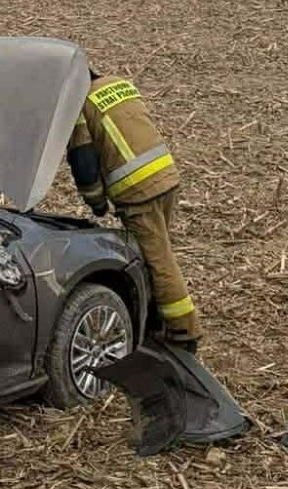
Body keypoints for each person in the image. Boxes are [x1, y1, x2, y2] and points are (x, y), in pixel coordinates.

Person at [66, 68, 202, 351]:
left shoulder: (80, 106)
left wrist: (97, 203)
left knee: (158, 261)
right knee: (158, 252)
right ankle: (156, 320)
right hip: (165, 176)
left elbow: (84, 164)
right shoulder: (118, 84)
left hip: (137, 191)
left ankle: (183, 332)